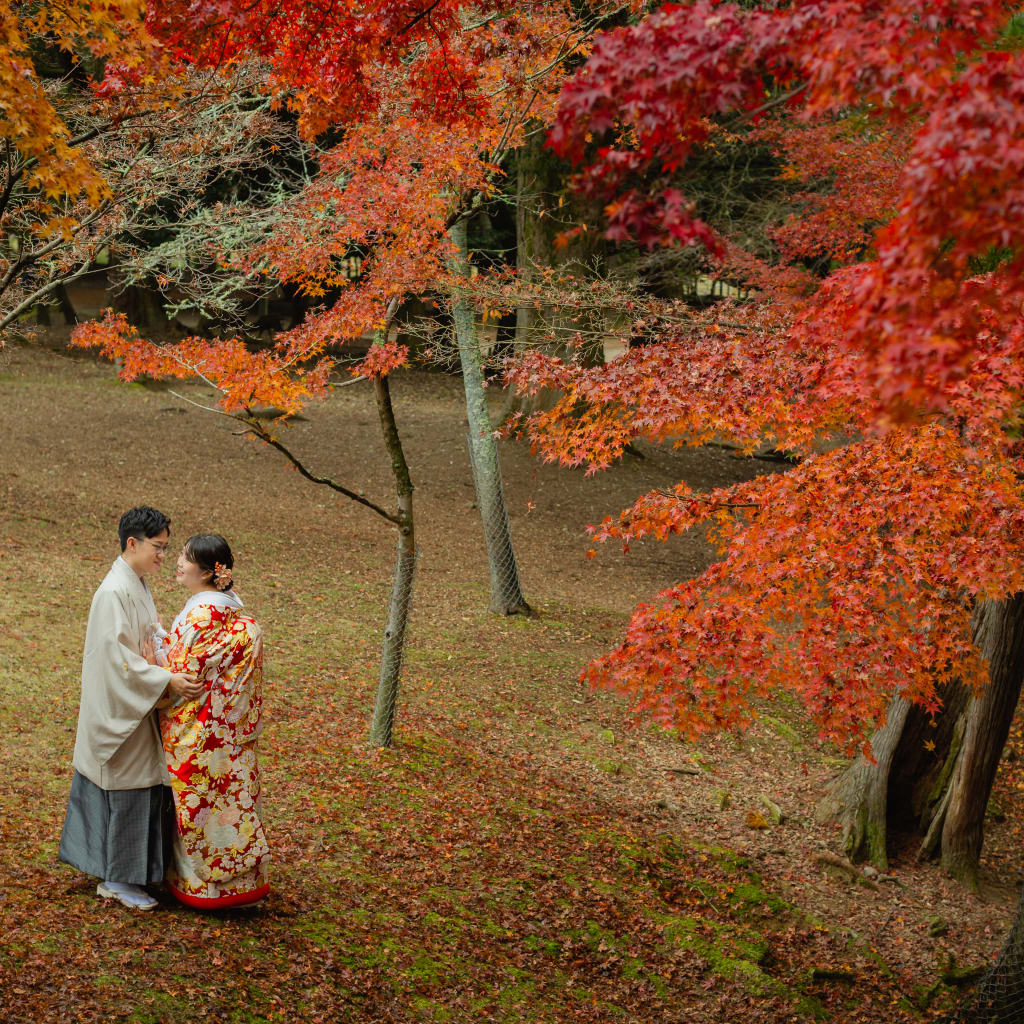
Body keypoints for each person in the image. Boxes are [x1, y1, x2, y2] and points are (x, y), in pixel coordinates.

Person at [59, 506, 203, 911]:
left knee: (141, 787)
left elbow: (146, 638)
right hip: (120, 709)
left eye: (167, 548)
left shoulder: (135, 582)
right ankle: (116, 879)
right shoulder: (112, 591)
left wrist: (165, 651)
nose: (163, 556)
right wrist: (166, 679)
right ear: (132, 543)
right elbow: (116, 660)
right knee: (125, 789)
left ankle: (129, 875)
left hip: (137, 705)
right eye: (158, 548)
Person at [156, 533, 270, 909]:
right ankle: (243, 885)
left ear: (208, 572)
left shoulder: (203, 616)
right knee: (233, 801)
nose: (178, 562)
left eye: (186, 558)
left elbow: (181, 670)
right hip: (228, 728)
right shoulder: (232, 610)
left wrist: (154, 653)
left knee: (200, 805)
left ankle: (204, 889)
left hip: (199, 728)